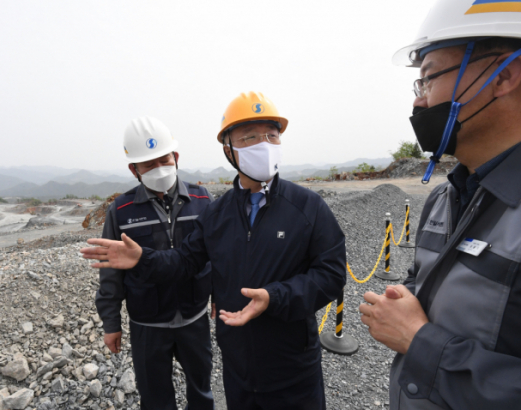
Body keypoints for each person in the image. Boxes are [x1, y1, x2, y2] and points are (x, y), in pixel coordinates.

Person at [81, 92, 347, 410]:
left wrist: (275, 296)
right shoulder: (217, 214)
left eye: (271, 135)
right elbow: (186, 260)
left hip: (290, 366)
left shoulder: (308, 207)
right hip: (237, 366)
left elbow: (331, 274)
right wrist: (143, 259)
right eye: (249, 138)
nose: (263, 144)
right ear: (228, 149)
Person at [359, 1, 521, 408]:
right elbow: (426, 289)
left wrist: (420, 341)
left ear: (503, 75)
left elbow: (418, 334)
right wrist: (403, 297)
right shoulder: (444, 198)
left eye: (429, 79)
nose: (418, 102)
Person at [95, 116, 215, 410]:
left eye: (163, 159)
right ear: (133, 169)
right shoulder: (120, 211)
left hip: (194, 317)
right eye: (148, 164)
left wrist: (221, 296)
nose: (159, 168)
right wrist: (111, 323)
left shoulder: (203, 200)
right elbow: (110, 273)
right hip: (147, 323)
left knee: (201, 390)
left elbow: (218, 257)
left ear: (176, 157)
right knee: (155, 398)